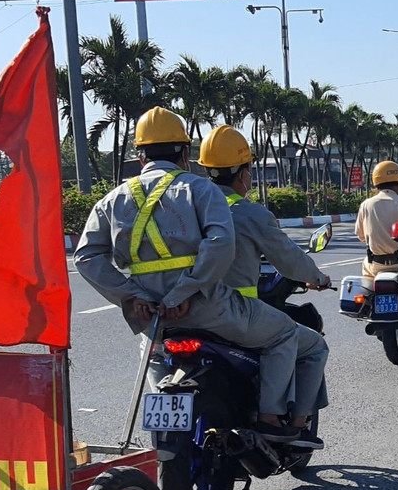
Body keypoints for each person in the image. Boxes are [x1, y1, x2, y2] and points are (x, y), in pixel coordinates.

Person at [74, 106, 318, 446]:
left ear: (139, 154)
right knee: (284, 335)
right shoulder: (199, 190)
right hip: (207, 309)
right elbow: (220, 244)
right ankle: (270, 418)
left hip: (152, 320)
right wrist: (183, 294)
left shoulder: (112, 199)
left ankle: (160, 436)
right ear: (185, 153)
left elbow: (86, 257)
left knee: (154, 355)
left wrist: (132, 295)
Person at [195, 123, 331, 447]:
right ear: (243, 173)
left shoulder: (188, 209)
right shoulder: (248, 213)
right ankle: (283, 421)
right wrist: (318, 278)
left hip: (182, 308)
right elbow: (289, 258)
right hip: (232, 313)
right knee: (308, 343)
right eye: (250, 170)